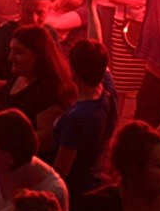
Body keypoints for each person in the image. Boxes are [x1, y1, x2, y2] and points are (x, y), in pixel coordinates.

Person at [48, 39, 116, 200]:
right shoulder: (109, 93)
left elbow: (60, 171)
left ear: (74, 72)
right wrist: (92, 12)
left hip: (77, 192)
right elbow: (96, 45)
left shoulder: (76, 118)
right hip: (99, 181)